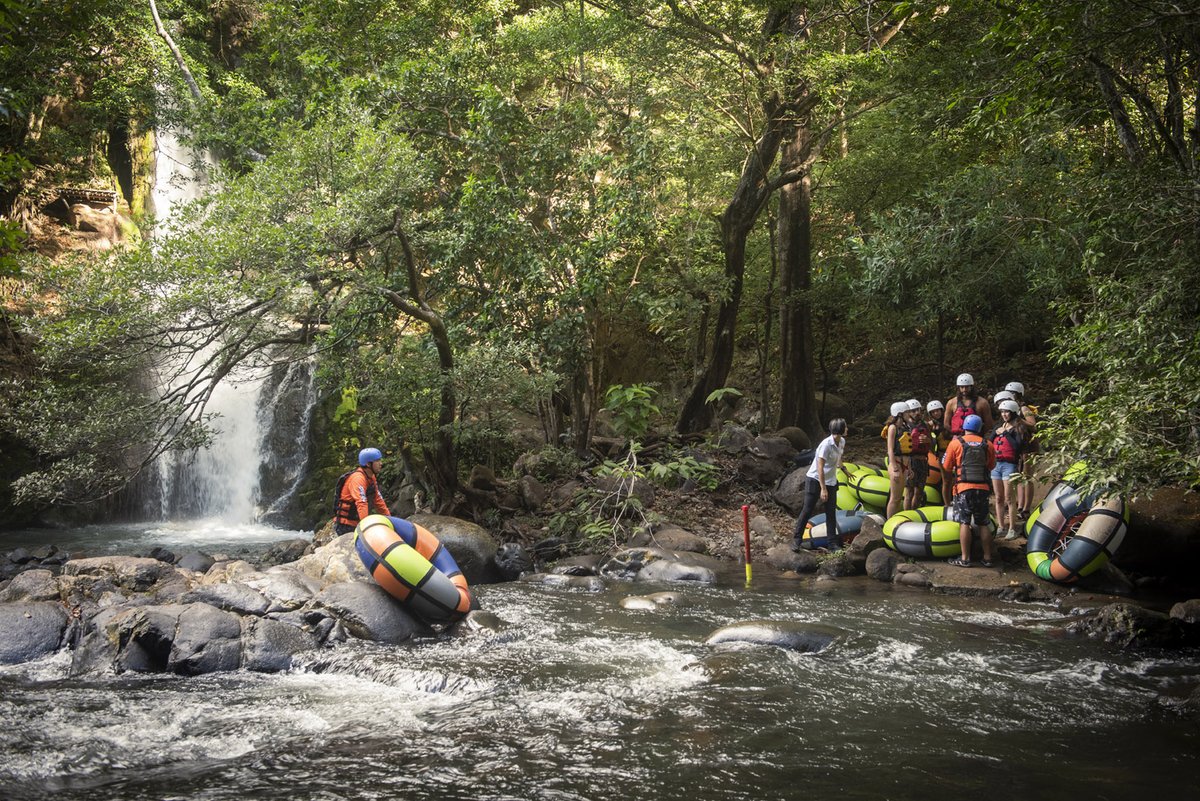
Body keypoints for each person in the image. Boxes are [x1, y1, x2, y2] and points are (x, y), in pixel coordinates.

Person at [941, 414, 997, 568]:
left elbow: (946, 466)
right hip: (983, 489)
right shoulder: (988, 444)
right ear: (979, 428)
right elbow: (992, 465)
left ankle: (965, 558)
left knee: (964, 522)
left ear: (964, 427)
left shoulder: (955, 444)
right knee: (983, 522)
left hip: (963, 489)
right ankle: (987, 558)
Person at [791, 418, 849, 552]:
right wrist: (823, 489)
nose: (847, 429)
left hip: (831, 481)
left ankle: (832, 544)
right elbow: (820, 467)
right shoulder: (826, 445)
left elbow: (839, 458)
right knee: (807, 510)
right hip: (815, 479)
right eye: (845, 427)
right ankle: (796, 540)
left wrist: (845, 470)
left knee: (831, 513)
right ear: (840, 429)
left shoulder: (842, 442)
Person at [989, 399, 1028, 539]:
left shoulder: (1018, 428)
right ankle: (1001, 526)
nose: (1004, 414)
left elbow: (1017, 446)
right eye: (1002, 412)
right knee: (998, 498)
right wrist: (997, 432)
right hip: (996, 465)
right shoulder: (1000, 425)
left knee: (1009, 498)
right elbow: (990, 440)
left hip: (1009, 465)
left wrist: (1005, 433)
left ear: (1013, 412)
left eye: (1007, 412)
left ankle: (1012, 528)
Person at [333, 447, 392, 535]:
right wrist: (366, 527)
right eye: (377, 461)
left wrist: (390, 520)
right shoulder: (358, 479)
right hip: (345, 526)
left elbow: (379, 501)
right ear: (368, 464)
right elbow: (361, 503)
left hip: (357, 523)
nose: (381, 463)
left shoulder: (371, 478)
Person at [1004, 381, 1040, 519]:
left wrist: (1019, 419)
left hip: (1029, 446)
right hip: (1018, 445)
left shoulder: (1024, 409)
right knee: (1019, 477)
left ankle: (1025, 508)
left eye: (1012, 393)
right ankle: (1019, 506)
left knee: (1027, 476)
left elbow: (1033, 425)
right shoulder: (1010, 408)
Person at [884, 401, 911, 518]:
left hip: (905, 464)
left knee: (900, 497)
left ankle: (896, 520)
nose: (908, 414)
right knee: (895, 498)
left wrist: (909, 467)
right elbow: (890, 449)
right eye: (906, 412)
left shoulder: (905, 427)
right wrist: (894, 468)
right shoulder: (892, 428)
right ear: (900, 413)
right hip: (896, 464)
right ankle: (889, 523)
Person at [904, 398, 931, 510]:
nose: (917, 413)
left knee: (919, 492)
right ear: (908, 412)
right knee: (909, 492)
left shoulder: (926, 425)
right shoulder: (905, 426)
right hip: (911, 461)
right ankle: (906, 515)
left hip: (923, 461)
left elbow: (931, 444)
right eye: (913, 411)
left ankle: (914, 513)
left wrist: (928, 440)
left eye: (918, 410)